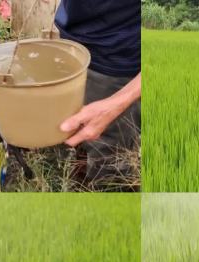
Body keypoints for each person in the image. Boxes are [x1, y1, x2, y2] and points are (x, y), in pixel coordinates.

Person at [56, 0, 141, 191]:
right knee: (77, 137)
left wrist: (117, 103)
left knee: (111, 168)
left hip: (118, 68)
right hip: (71, 44)